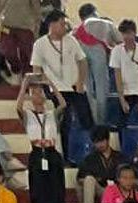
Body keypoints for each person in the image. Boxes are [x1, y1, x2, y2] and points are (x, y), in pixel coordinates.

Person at [17, 75, 67, 203]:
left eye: (40, 92)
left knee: (57, 197)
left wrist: (51, 83)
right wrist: (24, 86)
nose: (38, 95)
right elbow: (18, 107)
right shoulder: (28, 115)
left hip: (52, 155)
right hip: (37, 155)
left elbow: (63, 104)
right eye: (34, 93)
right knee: (40, 199)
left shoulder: (52, 114)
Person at [31, 10, 92, 149]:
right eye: (62, 24)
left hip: (75, 87)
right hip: (56, 90)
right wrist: (39, 89)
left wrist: (80, 82)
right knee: (65, 122)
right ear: (52, 25)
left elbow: (83, 61)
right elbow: (36, 69)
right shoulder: (40, 44)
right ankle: (65, 154)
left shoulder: (71, 41)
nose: (65, 27)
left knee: (87, 119)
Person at [110, 18, 138, 122]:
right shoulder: (116, 51)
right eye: (124, 34)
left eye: (129, 33)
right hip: (126, 93)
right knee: (120, 123)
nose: (126, 37)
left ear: (134, 33)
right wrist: (122, 100)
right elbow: (118, 77)